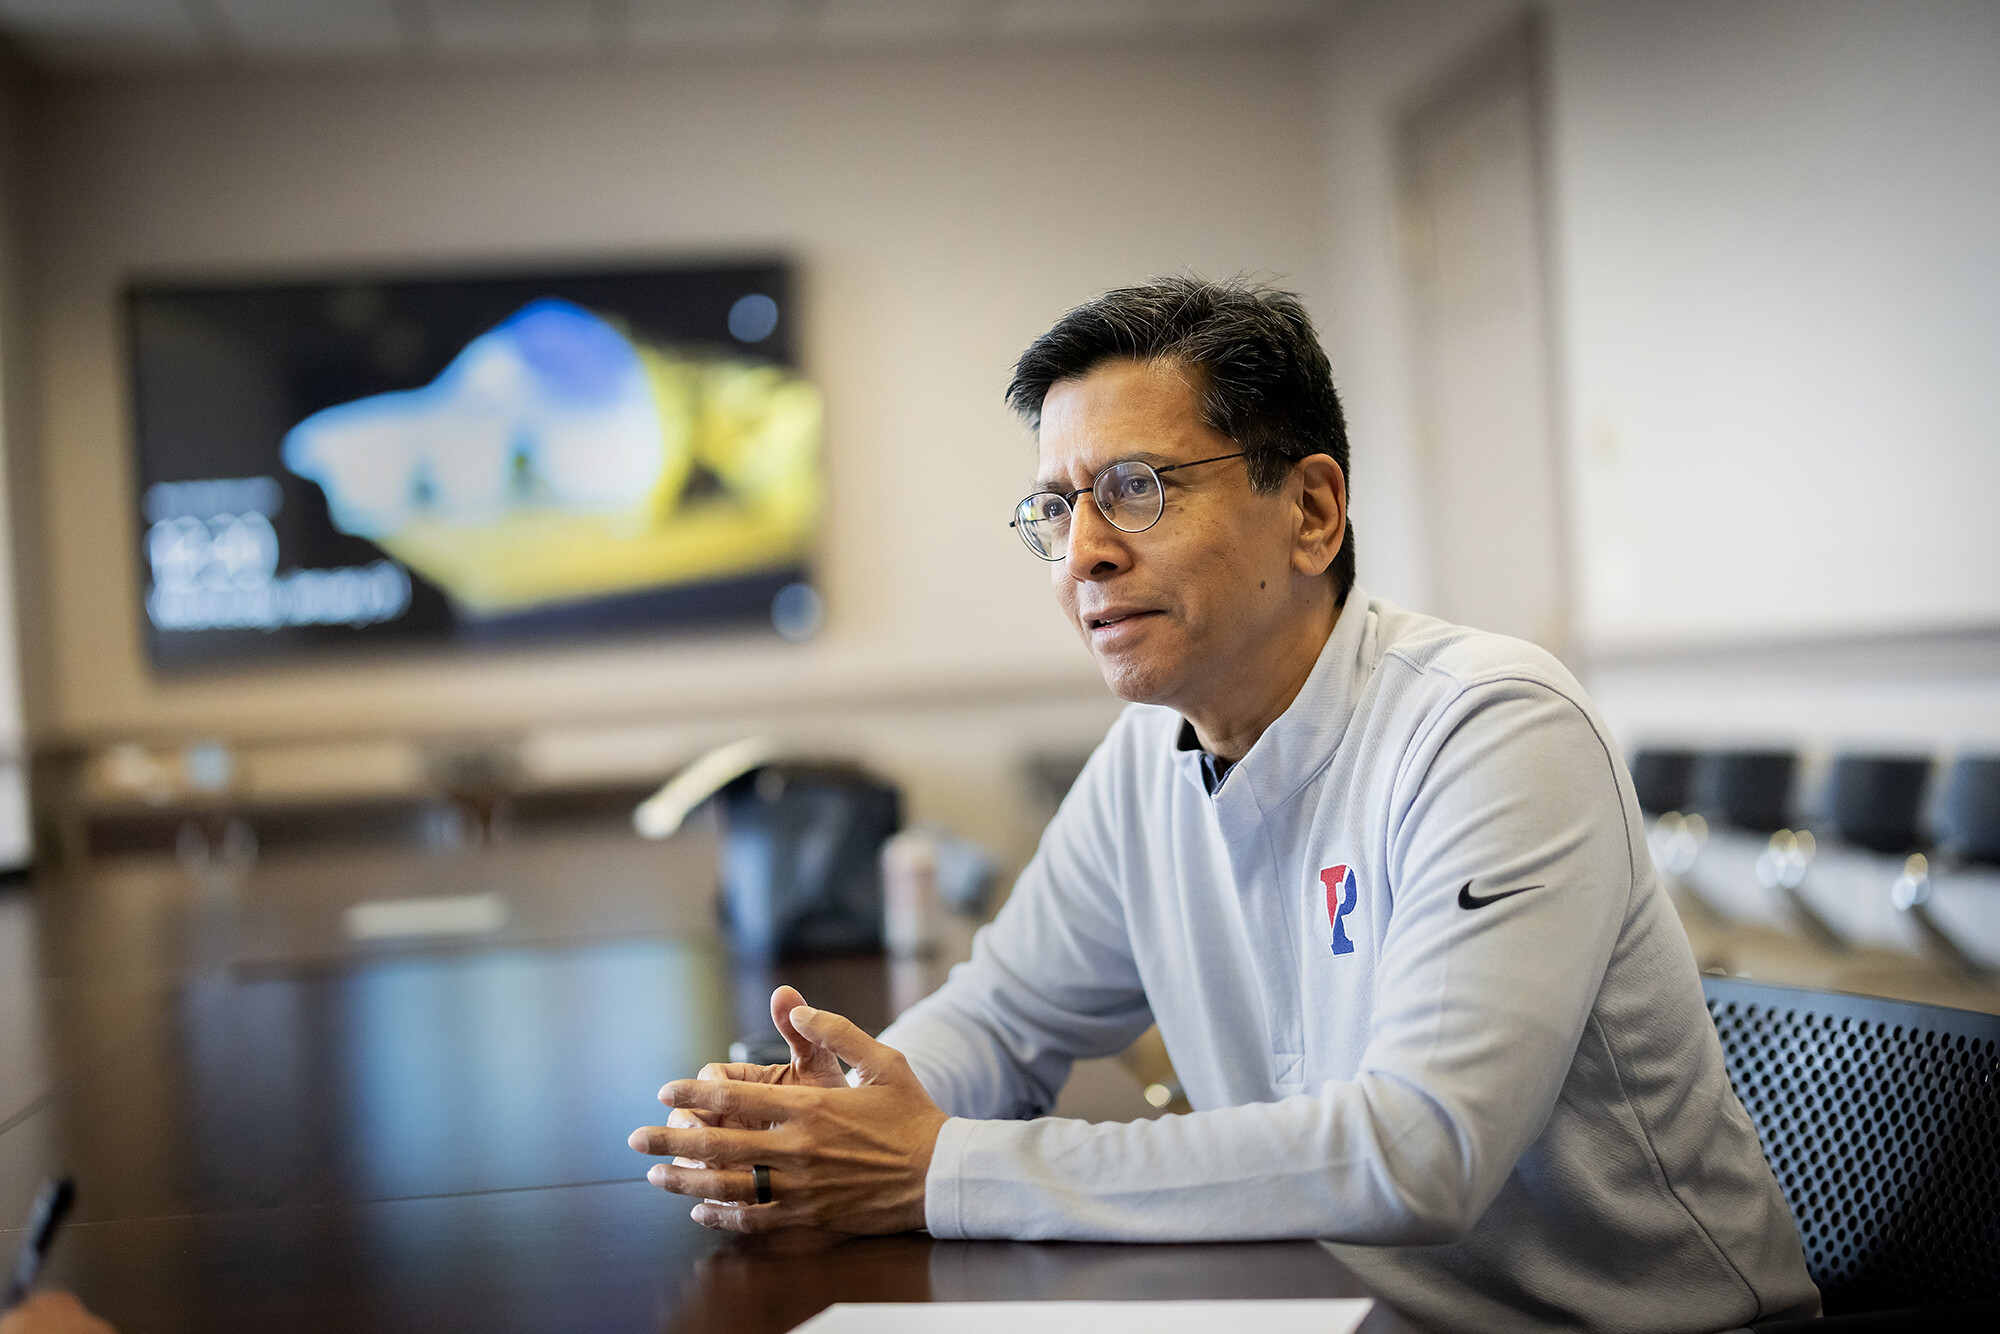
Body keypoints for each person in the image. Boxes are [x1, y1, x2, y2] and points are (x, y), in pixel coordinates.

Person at [629, 277, 1819, 1333]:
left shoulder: (1491, 723)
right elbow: (1002, 1018)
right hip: (1333, 1307)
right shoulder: (1146, 757)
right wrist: (842, 1115)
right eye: (1055, 508)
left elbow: (1421, 1150)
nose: (1082, 552)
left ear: (1311, 511)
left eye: (1135, 490)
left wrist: (935, 1167)